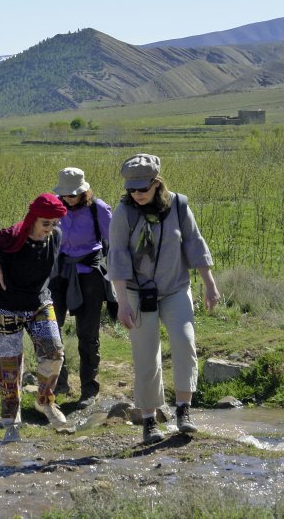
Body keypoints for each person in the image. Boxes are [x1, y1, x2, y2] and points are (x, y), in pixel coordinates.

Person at [107, 154, 220, 445]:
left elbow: (195, 243)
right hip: (135, 293)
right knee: (147, 355)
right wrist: (122, 302)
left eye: (142, 189)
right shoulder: (123, 213)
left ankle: (184, 410)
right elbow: (117, 257)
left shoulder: (179, 206)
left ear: (157, 184)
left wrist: (209, 284)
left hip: (175, 289)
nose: (137, 195)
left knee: (184, 342)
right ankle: (148, 420)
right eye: (132, 189)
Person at [0, 193, 69, 443]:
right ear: (33, 218)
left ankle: (45, 402)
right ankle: (12, 422)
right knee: (9, 367)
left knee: (54, 353)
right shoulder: (11, 236)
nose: (50, 228)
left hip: (39, 303)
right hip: (5, 307)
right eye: (46, 223)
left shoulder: (55, 235)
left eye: (54, 223)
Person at [49, 167, 113, 409]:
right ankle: (59, 384)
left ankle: (89, 389)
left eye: (72, 194)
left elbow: (116, 243)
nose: (68, 198)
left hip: (90, 275)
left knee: (88, 334)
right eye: (65, 194)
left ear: (84, 190)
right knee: (51, 330)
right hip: (59, 273)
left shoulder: (99, 210)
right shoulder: (54, 208)